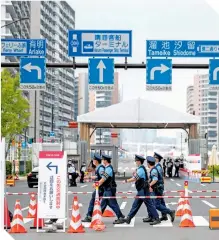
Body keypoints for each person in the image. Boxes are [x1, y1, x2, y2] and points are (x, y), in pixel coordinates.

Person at [123, 155, 160, 225]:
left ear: (139, 161)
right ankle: (129, 218)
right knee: (135, 204)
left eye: (136, 160)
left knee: (149, 204)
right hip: (141, 190)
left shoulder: (141, 170)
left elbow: (134, 178)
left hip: (143, 190)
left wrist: (126, 181)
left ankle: (157, 218)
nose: (135, 162)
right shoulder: (140, 169)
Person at [94, 154, 125, 224]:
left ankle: (120, 217)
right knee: (104, 203)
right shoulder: (107, 168)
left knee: (112, 203)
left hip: (109, 189)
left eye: (103, 160)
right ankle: (97, 218)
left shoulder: (108, 169)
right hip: (107, 189)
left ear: (105, 161)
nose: (102, 161)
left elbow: (103, 178)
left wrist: (97, 184)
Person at [146, 156, 175, 222]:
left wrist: (149, 185)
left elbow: (155, 179)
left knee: (156, 204)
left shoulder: (155, 169)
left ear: (148, 163)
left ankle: (170, 212)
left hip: (157, 189)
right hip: (157, 188)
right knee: (158, 203)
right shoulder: (155, 168)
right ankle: (162, 215)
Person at [82, 154, 105, 222]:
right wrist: (89, 177)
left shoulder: (100, 168)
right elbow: (98, 177)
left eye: (93, 160)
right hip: (101, 188)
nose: (93, 162)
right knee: (108, 202)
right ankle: (120, 216)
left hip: (101, 188)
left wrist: (97, 183)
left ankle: (89, 216)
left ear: (96, 161)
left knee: (93, 201)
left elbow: (104, 178)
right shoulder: (99, 167)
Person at [154, 152, 168, 221]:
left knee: (157, 203)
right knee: (162, 201)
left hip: (158, 187)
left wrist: (163, 187)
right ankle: (164, 215)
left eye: (155, 157)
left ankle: (170, 212)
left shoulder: (158, 167)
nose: (153, 158)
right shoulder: (157, 166)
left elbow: (161, 177)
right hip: (159, 186)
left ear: (157, 159)